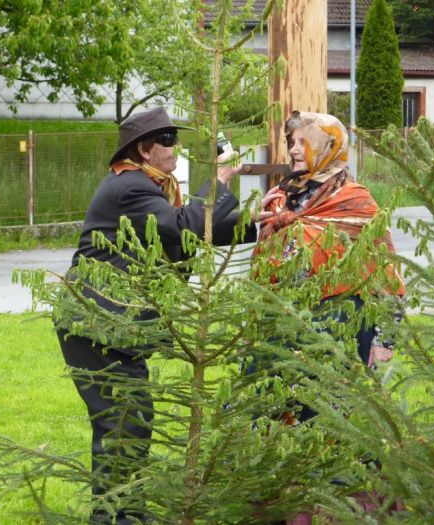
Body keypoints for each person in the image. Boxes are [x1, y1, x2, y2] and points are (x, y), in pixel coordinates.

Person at [55, 106, 259, 524]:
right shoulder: (131, 186)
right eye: (167, 140)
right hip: (95, 322)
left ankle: (127, 513)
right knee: (122, 422)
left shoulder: (149, 188)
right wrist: (218, 180)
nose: (176, 146)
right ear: (144, 150)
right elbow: (185, 226)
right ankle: (117, 518)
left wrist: (265, 220)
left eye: (174, 138)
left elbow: (192, 231)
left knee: (130, 420)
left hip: (112, 323)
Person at [252, 111, 405, 524]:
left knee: (335, 422)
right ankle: (283, 507)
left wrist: (385, 340)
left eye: (304, 142)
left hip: (343, 332)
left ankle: (340, 510)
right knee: (277, 418)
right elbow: (265, 265)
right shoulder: (281, 200)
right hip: (281, 334)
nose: (295, 151)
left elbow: (387, 277)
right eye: (292, 144)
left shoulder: (355, 202)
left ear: (329, 146)